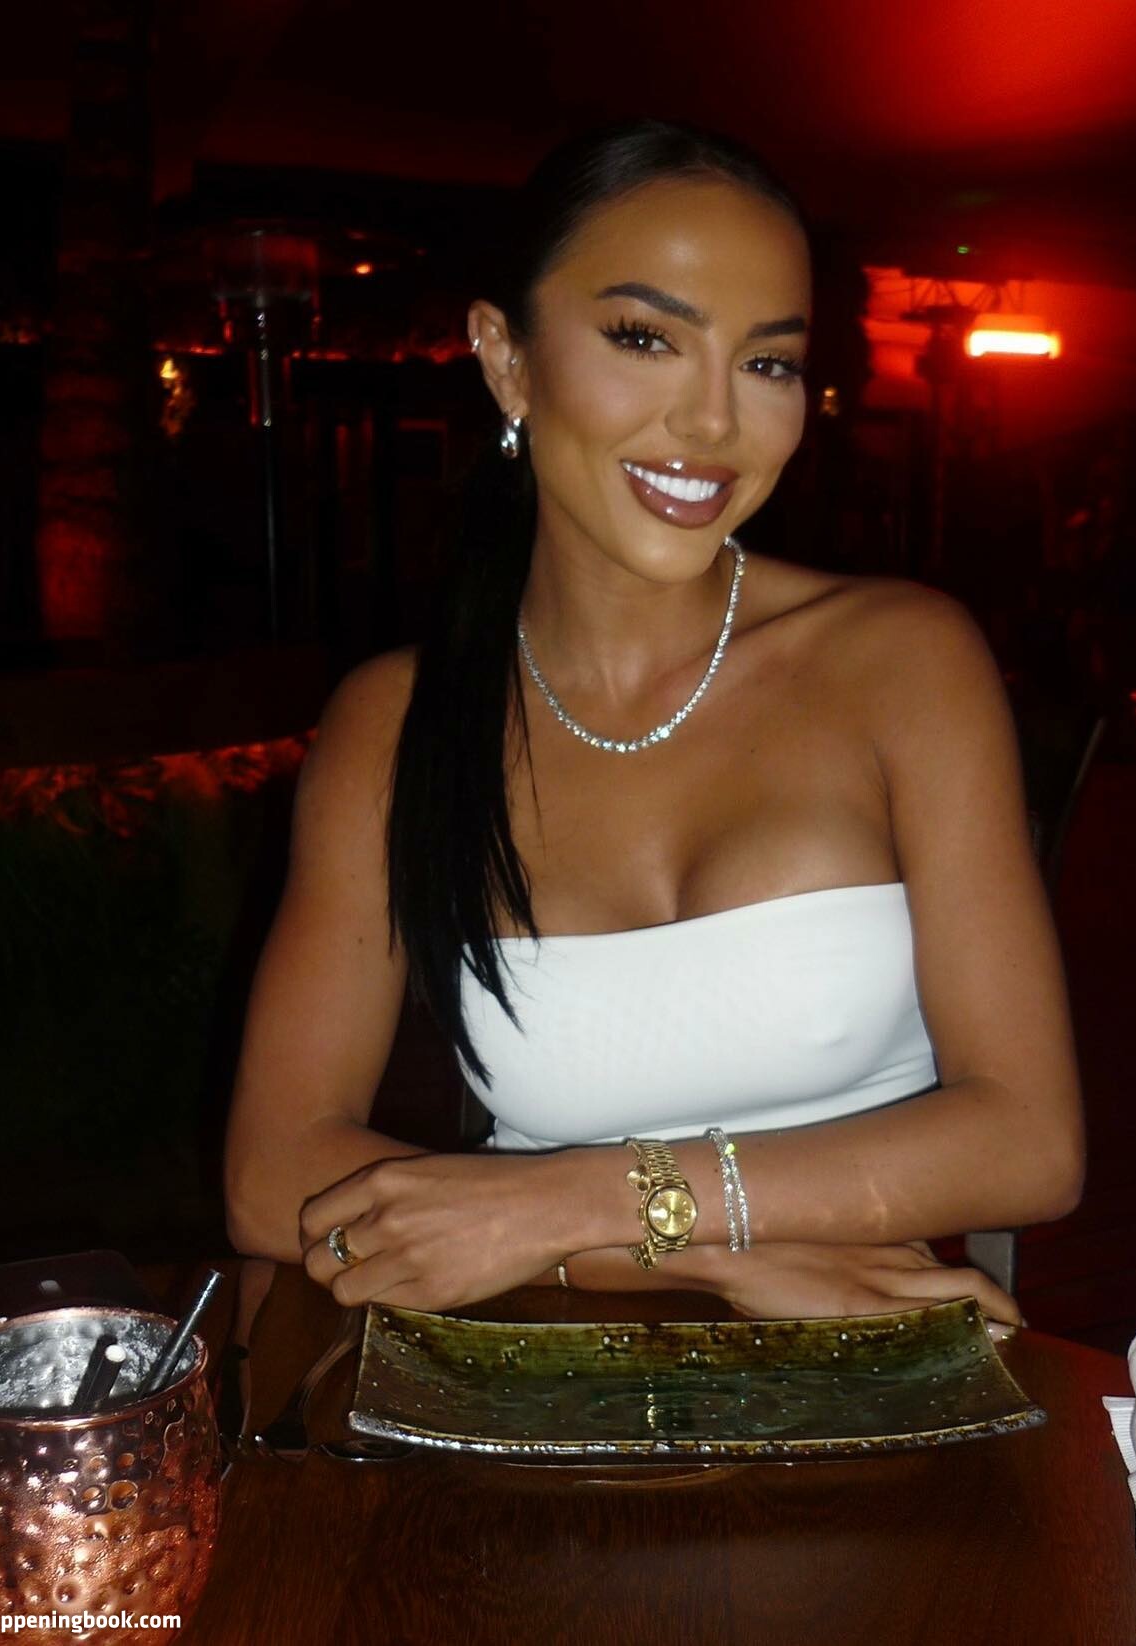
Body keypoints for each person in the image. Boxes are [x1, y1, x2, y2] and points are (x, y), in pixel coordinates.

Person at [224, 120, 1084, 1326]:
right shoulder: (398, 721)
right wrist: (703, 1258)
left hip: (866, 1365)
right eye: (645, 339)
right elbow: (271, 1176)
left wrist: (574, 1204)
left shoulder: (903, 660)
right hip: (533, 1360)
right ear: (506, 359)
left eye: (767, 362)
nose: (714, 423)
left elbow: (1031, 1139)